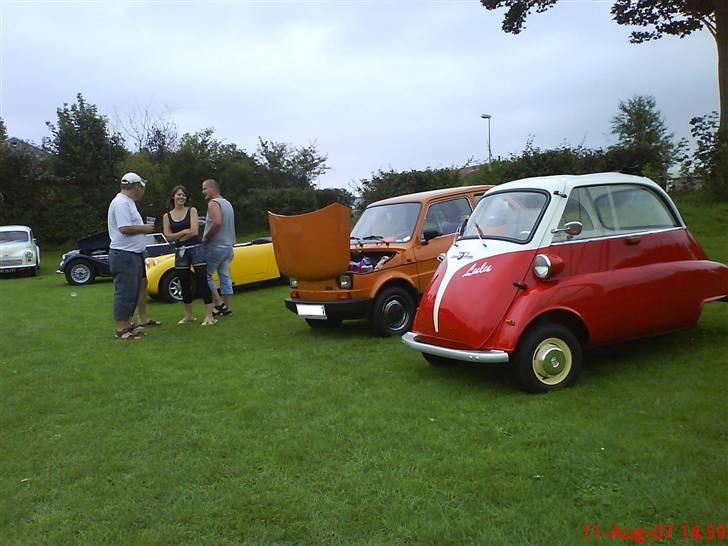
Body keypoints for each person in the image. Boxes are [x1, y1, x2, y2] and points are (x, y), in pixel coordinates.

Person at [107, 172, 155, 340]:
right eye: (141, 187)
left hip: (132, 254)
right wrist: (145, 228)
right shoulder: (121, 203)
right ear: (136, 186)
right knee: (125, 292)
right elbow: (124, 228)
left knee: (133, 292)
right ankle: (121, 329)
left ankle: (127, 325)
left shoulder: (128, 202)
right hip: (124, 254)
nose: (142, 190)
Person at [162, 185, 216, 326]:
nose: (181, 197)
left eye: (184, 195)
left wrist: (178, 237)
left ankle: (209, 315)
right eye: (178, 195)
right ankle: (188, 315)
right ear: (173, 196)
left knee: (202, 280)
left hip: (196, 248)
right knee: (183, 282)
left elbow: (194, 231)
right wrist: (181, 233)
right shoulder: (167, 216)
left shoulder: (192, 210)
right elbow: (167, 236)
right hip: (180, 252)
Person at [201, 178, 236, 316]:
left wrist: (206, 237)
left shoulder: (213, 203)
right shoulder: (227, 203)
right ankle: (226, 307)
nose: (203, 192)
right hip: (228, 246)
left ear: (212, 188)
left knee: (205, 275)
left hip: (216, 246)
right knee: (224, 277)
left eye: (204, 188)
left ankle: (219, 304)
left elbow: (217, 222)